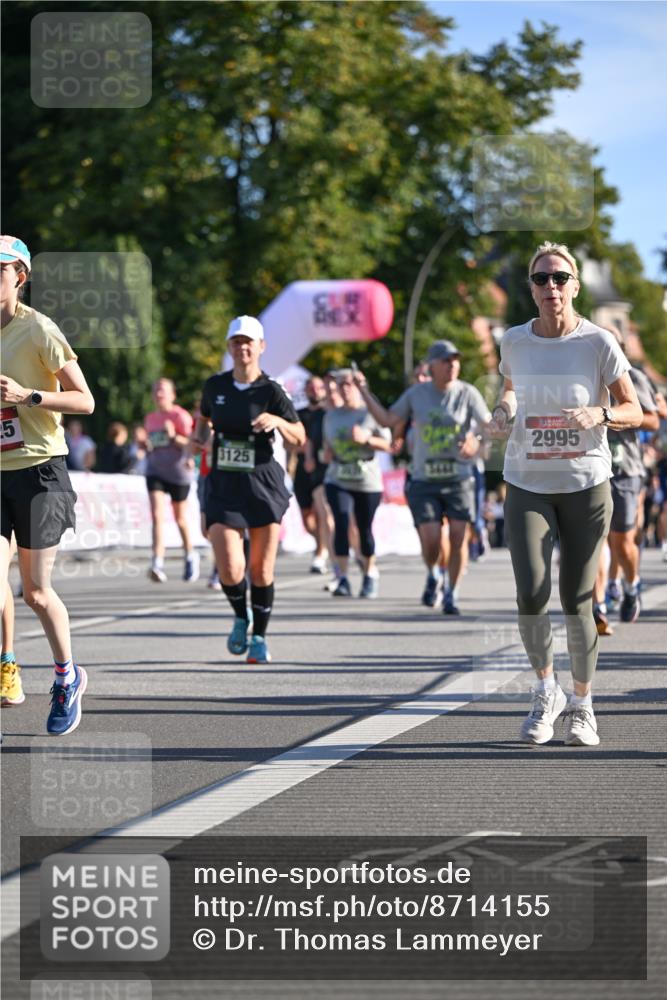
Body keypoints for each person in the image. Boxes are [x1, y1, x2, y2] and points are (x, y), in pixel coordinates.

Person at [488, 241, 642, 747]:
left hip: (585, 483)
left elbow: (634, 410)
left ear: (575, 286)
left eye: (560, 278)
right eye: (541, 279)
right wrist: (503, 411)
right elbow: (511, 388)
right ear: (531, 289)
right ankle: (544, 691)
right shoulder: (514, 340)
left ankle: (582, 703)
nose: (550, 286)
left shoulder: (598, 342)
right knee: (531, 592)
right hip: (527, 481)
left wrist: (600, 413)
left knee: (578, 599)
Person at [0, 234, 95, 736]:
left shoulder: (38, 329)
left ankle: (66, 676)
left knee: (36, 592)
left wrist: (28, 395)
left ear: (19, 277)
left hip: (40, 471)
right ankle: (7, 666)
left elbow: (85, 401)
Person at [190, 315, 305, 664]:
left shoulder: (272, 391)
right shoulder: (215, 386)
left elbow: (300, 437)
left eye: (248, 342)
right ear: (229, 346)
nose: (242, 348)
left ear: (261, 347)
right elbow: (204, 419)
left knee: (261, 571)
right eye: (236, 341)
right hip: (224, 482)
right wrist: (200, 439)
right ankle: (242, 616)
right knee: (229, 568)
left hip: (262, 484)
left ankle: (259, 638)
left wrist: (278, 421)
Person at [355, 340, 491, 614]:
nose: (452, 365)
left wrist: (476, 441)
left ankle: (452, 593)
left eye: (455, 360)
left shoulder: (468, 393)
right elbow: (387, 419)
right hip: (425, 479)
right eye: (446, 360)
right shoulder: (417, 394)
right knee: (431, 541)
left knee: (457, 536)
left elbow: (489, 427)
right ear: (432, 366)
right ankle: (434, 572)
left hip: (459, 477)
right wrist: (364, 391)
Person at [593, 330, 659, 630]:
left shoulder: (633, 377)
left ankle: (631, 584)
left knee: (621, 541)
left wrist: (610, 415)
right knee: (595, 539)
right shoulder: (583, 375)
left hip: (625, 469)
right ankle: (598, 605)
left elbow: (652, 419)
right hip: (592, 468)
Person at [322, 370, 392, 598]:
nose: (345, 388)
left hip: (366, 480)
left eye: (349, 384)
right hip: (338, 477)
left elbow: (388, 445)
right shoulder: (331, 416)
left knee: (364, 528)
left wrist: (366, 439)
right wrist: (327, 453)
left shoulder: (370, 413)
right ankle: (342, 577)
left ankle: (370, 572)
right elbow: (327, 446)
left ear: (359, 387)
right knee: (341, 521)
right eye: (341, 384)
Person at [144, 377, 199, 583]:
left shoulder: (181, 416)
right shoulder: (150, 418)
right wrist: (145, 445)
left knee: (180, 518)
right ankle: (157, 562)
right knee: (157, 516)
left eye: (163, 390)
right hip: (155, 471)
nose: (159, 394)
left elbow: (192, 446)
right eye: (156, 390)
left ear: (172, 395)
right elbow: (153, 444)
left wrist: (174, 435)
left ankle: (190, 554)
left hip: (178, 473)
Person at [292, 375, 331, 575]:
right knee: (308, 521)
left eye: (318, 387)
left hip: (323, 469)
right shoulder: (298, 415)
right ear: (306, 391)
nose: (315, 391)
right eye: (311, 388)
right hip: (302, 470)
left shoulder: (328, 413)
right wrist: (302, 449)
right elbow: (290, 443)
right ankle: (322, 544)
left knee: (323, 511)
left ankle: (322, 553)